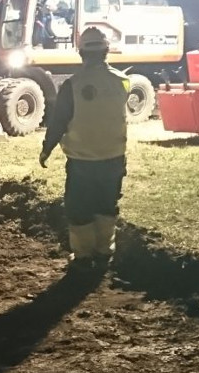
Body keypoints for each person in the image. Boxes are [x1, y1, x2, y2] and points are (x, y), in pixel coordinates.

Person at [38, 26, 130, 270]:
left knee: (80, 208)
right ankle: (104, 253)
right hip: (114, 158)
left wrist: (47, 148)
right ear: (106, 51)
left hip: (82, 160)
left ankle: (83, 256)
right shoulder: (123, 82)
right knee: (106, 205)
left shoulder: (72, 86)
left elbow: (59, 121)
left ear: (81, 53)